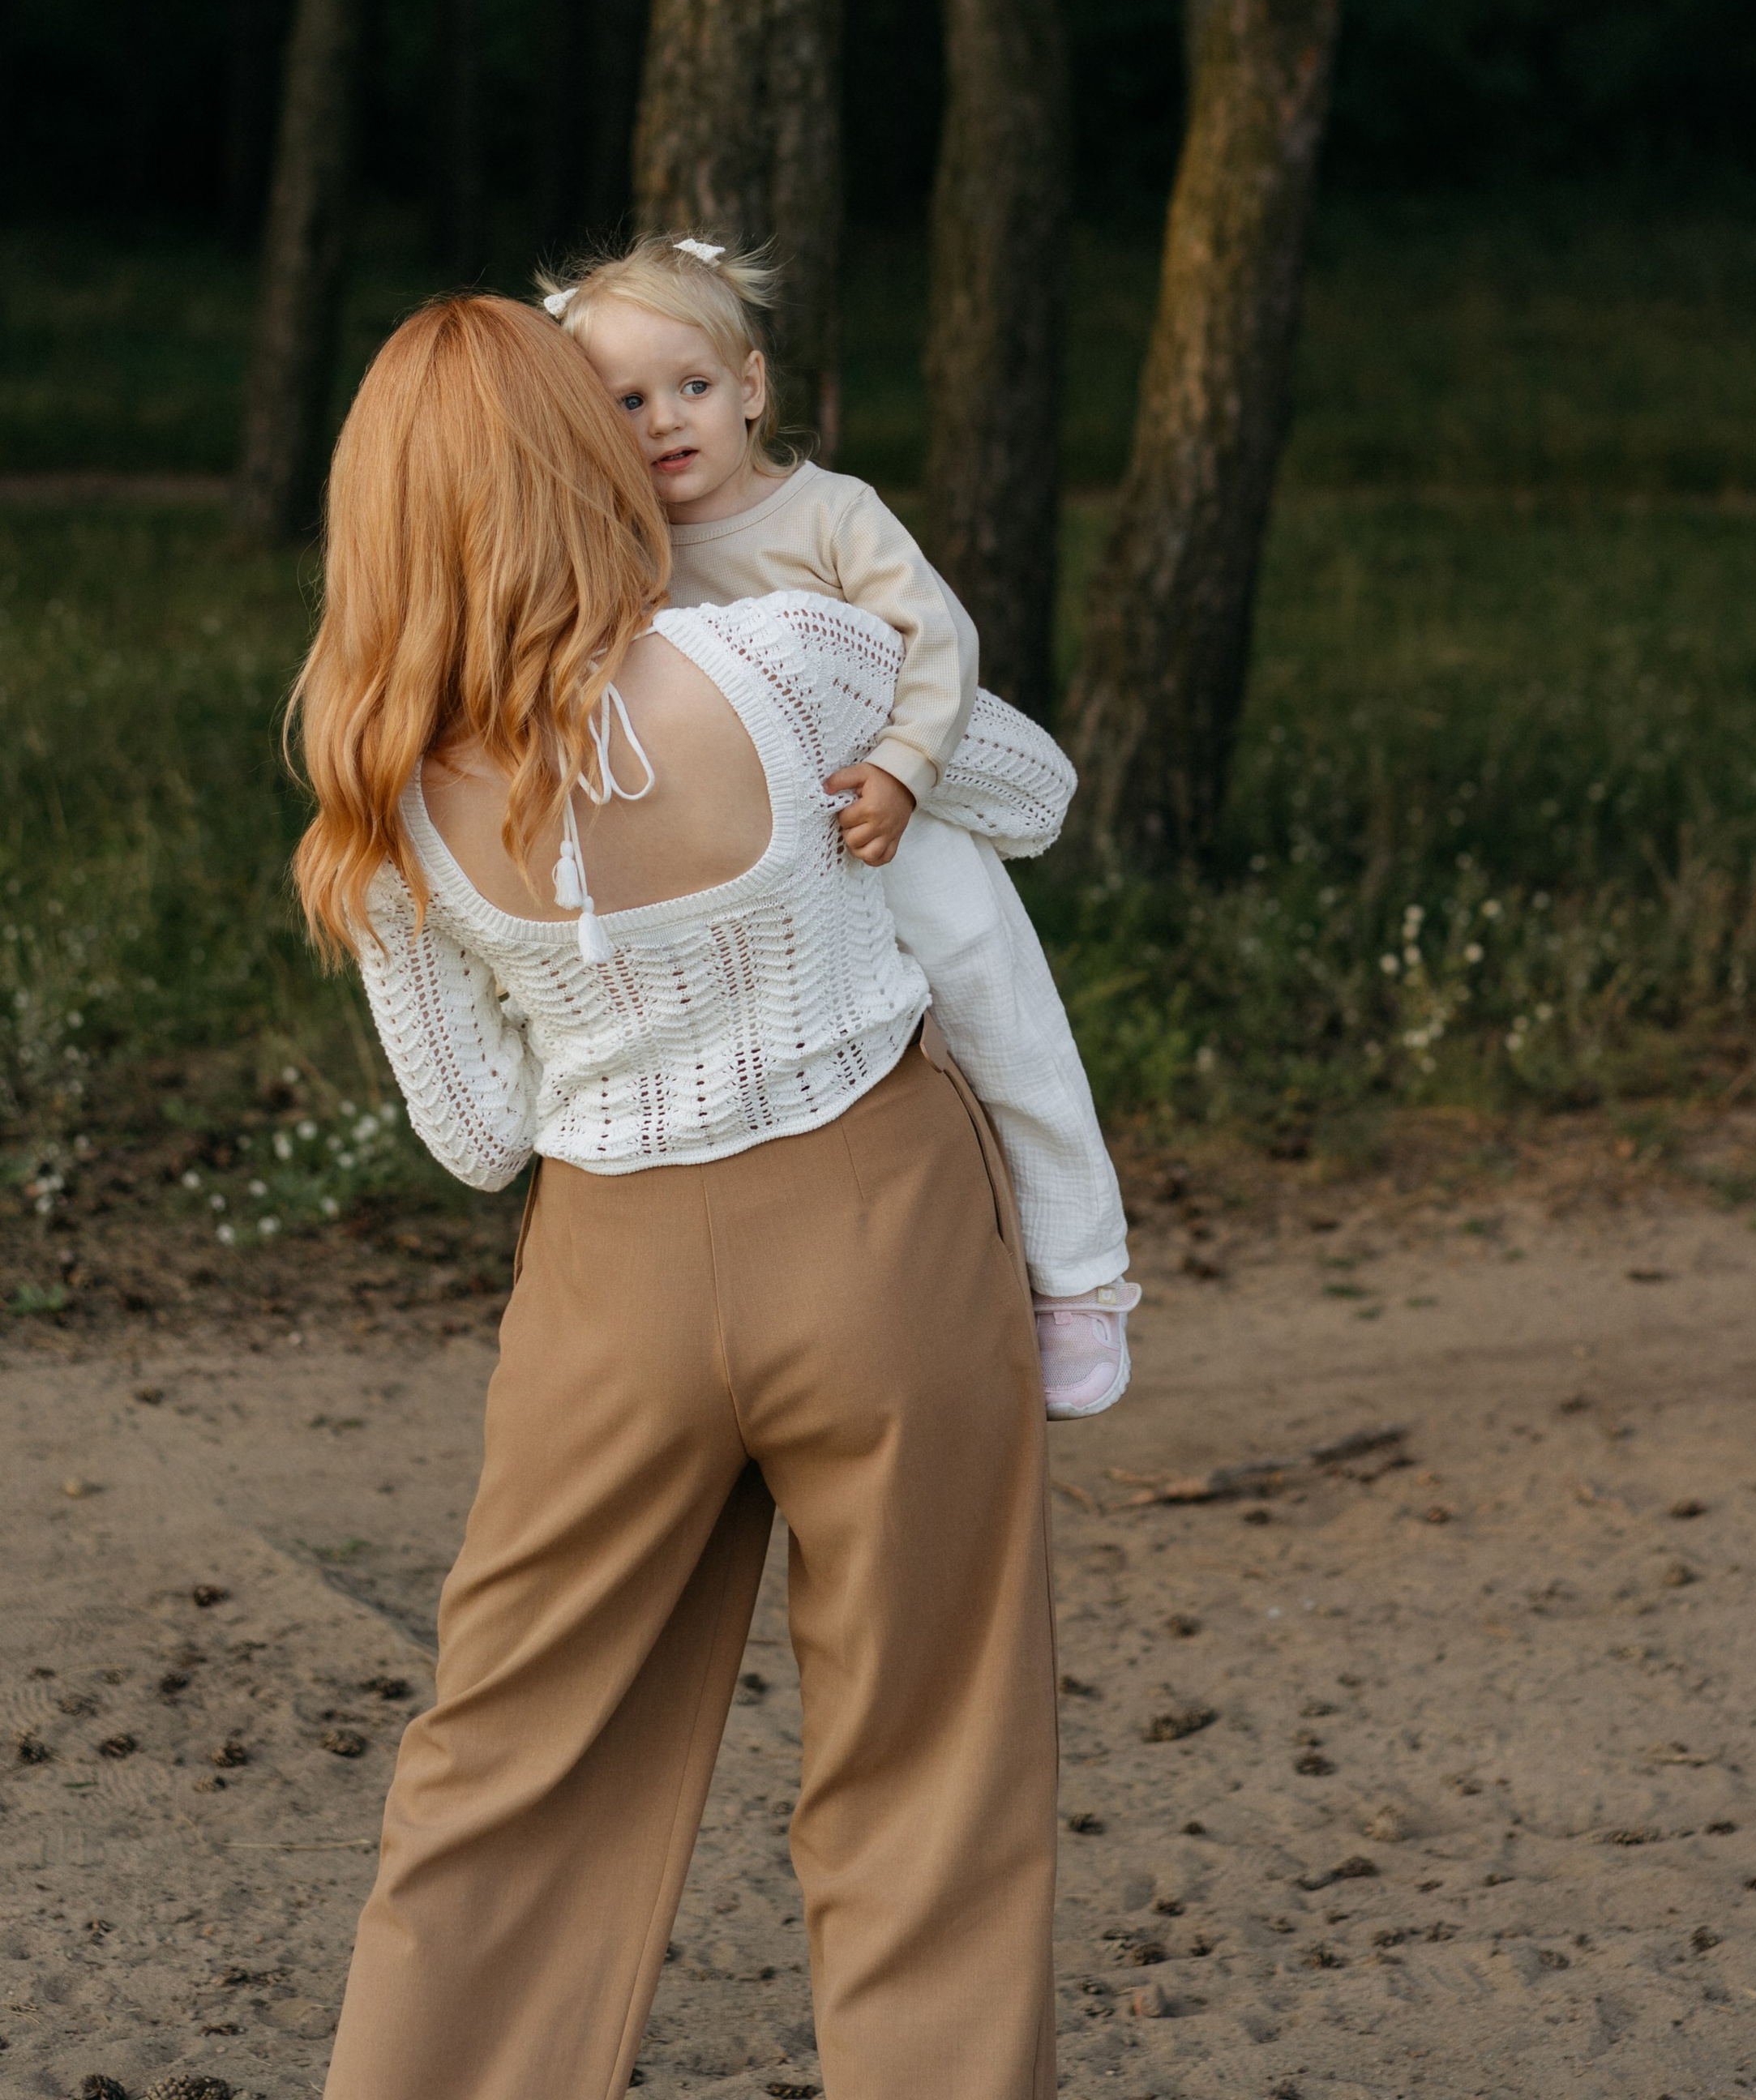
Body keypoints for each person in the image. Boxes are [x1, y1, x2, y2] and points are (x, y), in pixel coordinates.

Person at [293, 296, 1062, 2100]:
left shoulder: (384, 788)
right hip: (881, 1230)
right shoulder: (784, 655)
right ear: (585, 458)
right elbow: (1022, 792)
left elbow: (479, 1131)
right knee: (926, 1753)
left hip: (609, 1286)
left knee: (508, 1753)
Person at [538, 229, 1139, 1417]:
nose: (665, 422)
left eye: (694, 388)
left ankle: (1081, 1278)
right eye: (627, 401)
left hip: (888, 815)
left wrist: (908, 773)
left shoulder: (828, 513)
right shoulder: (624, 548)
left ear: (752, 388)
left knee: (998, 1006)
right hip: (768, 867)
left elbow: (937, 638)